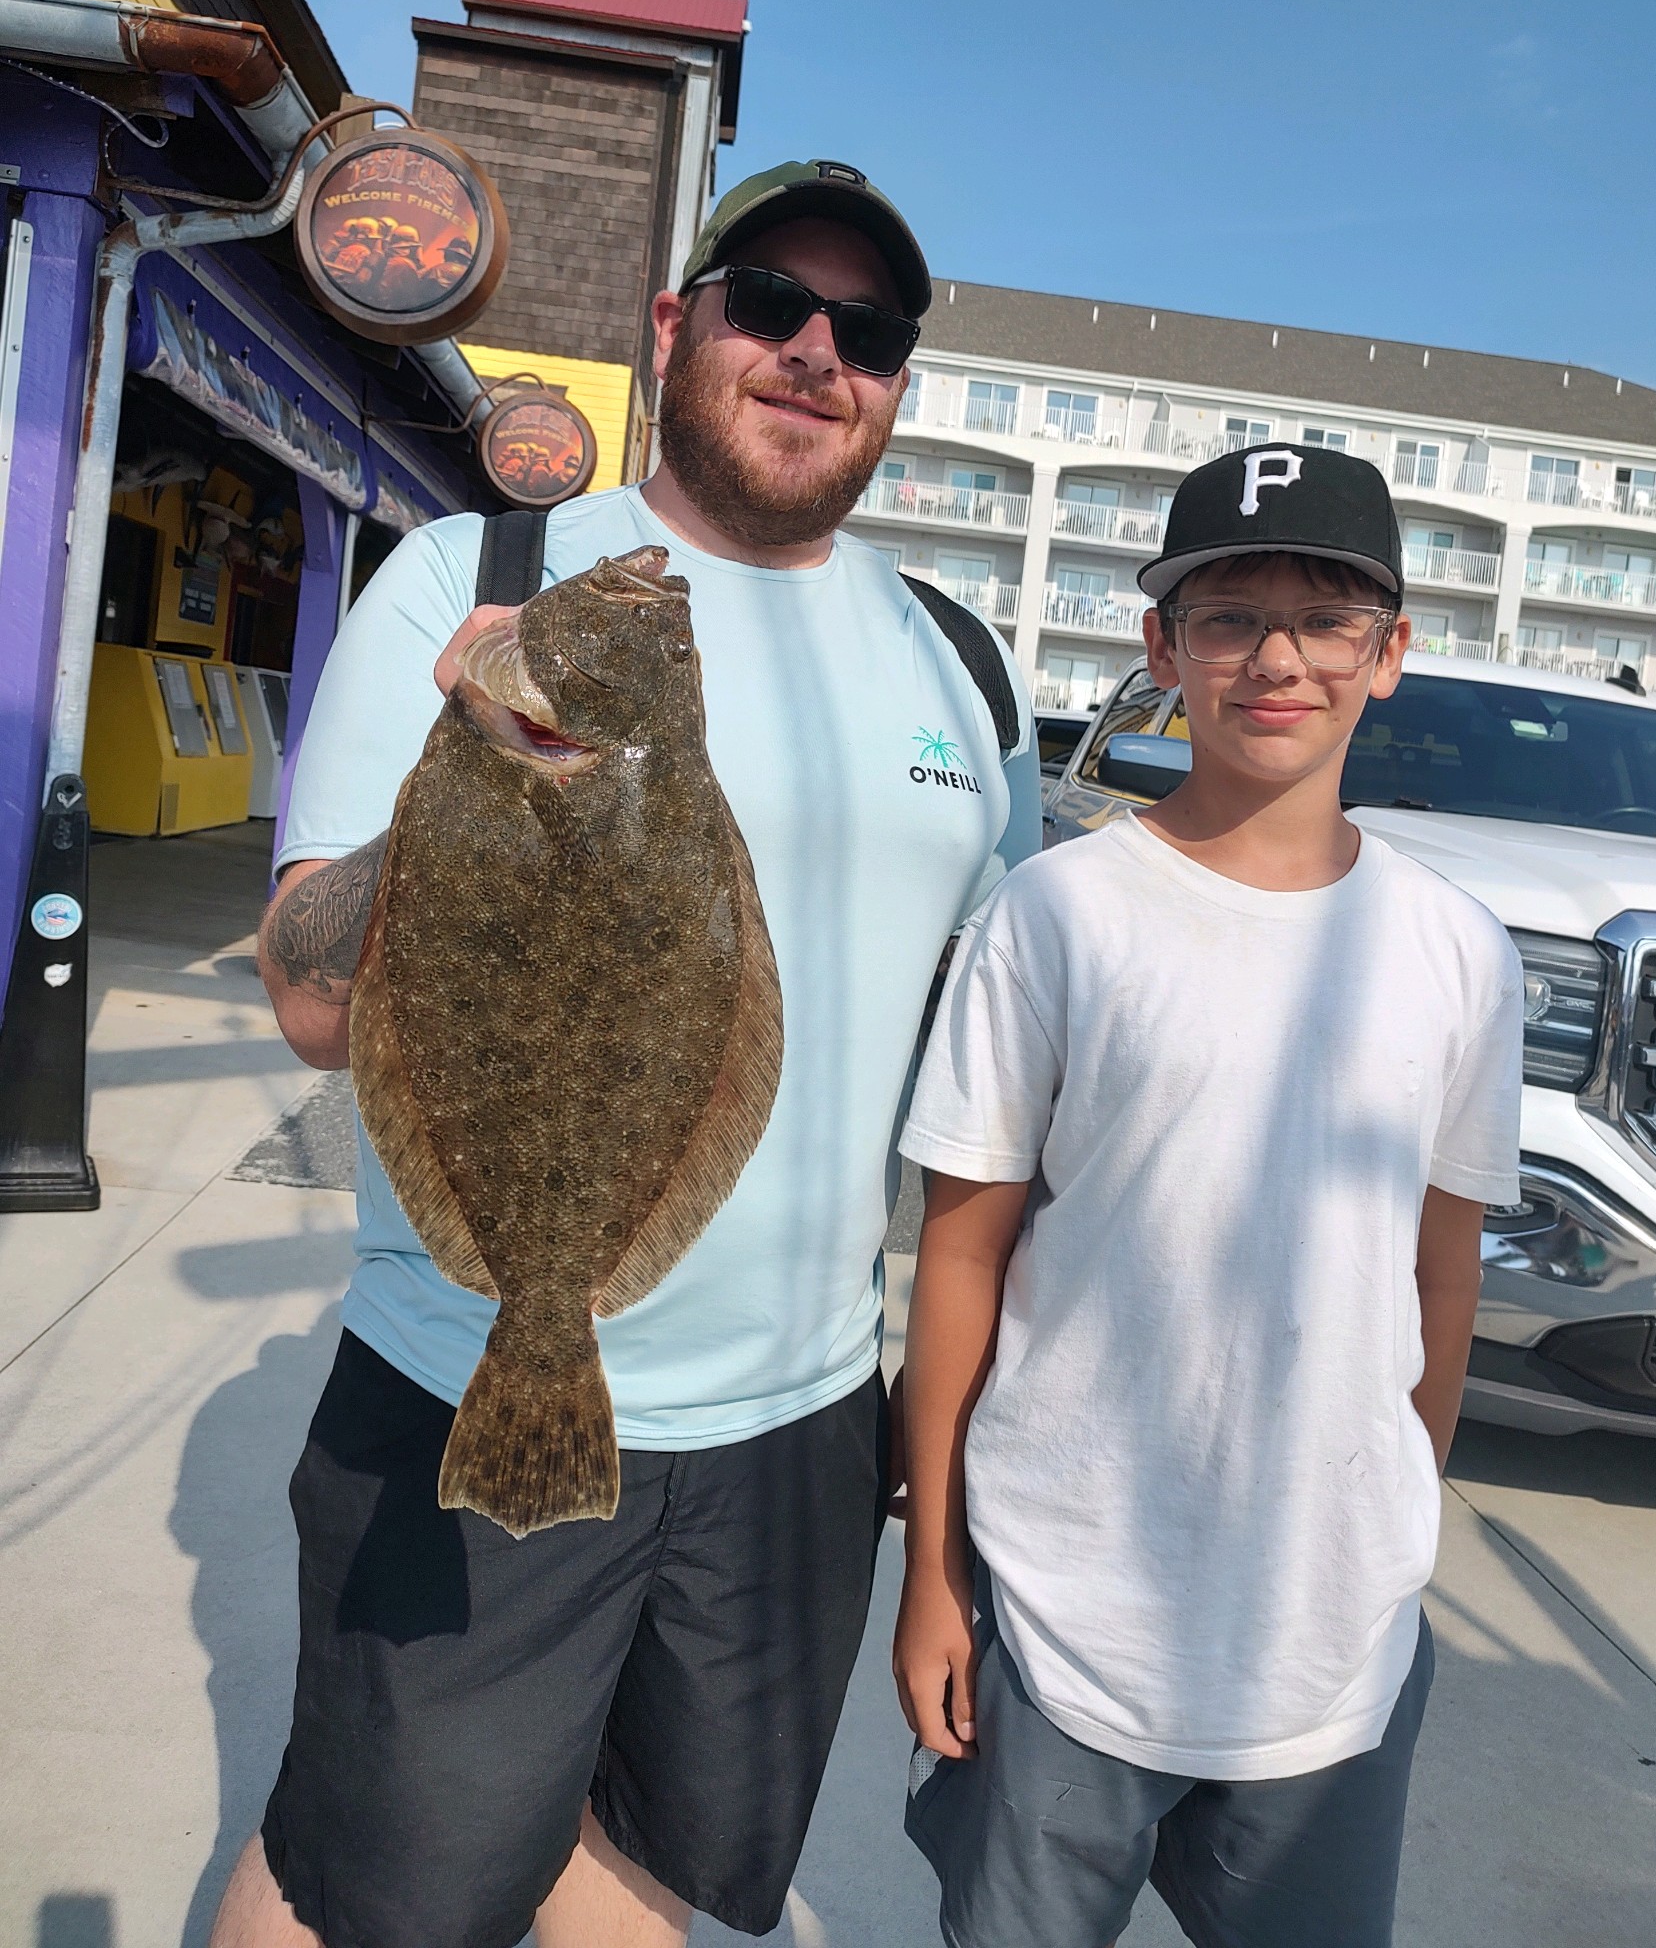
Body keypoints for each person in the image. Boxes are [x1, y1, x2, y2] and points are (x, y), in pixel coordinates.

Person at [212, 160, 1040, 1948]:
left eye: (869, 332)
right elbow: (312, 1001)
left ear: (899, 384)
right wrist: (465, 778)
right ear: (677, 327)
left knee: (658, 1866)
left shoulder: (963, 671)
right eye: (773, 305)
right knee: (362, 1889)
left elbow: (999, 1066)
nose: (817, 353)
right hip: (463, 1372)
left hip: (802, 1427)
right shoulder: (469, 580)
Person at [893, 443, 1523, 1948]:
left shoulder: (1458, 951)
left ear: (1391, 652)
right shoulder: (1056, 914)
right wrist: (932, 1570)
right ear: (1163, 647)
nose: (1278, 659)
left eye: (1328, 619)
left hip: (1330, 1643)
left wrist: (1396, 1509)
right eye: (1230, 617)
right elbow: (961, 1258)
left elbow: (1441, 1275)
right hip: (1061, 1610)